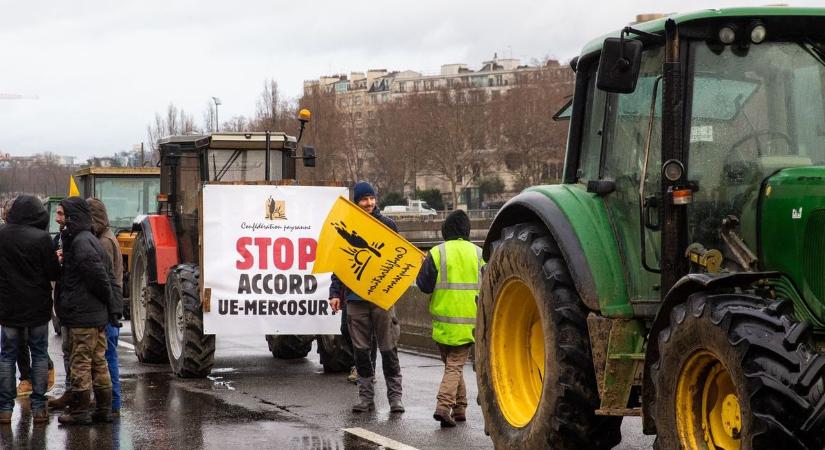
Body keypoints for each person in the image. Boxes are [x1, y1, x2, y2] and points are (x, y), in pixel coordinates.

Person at [329, 182, 404, 413]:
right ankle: (366, 398)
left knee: (388, 349)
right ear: (356, 202)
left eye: (372, 198)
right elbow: (340, 264)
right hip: (355, 299)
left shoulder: (388, 225)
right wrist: (335, 293)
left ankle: (395, 399)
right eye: (364, 199)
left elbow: (398, 258)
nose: (369, 203)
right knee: (361, 351)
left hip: (381, 299)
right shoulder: (349, 226)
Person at [55, 197, 120, 425]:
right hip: (91, 314)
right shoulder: (87, 239)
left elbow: (100, 280)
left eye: (61, 214)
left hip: (83, 316)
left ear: (72, 216)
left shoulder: (82, 242)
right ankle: (103, 410)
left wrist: (107, 303)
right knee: (98, 362)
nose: (57, 218)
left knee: (81, 363)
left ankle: (79, 412)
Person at [415, 209, 483, 427]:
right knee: (455, 367)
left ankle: (446, 407)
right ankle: (456, 407)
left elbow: (424, 286)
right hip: (469, 325)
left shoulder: (436, 253)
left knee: (452, 366)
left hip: (442, 325)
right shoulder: (480, 254)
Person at [0, 195, 60, 424]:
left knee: (6, 356)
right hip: (37, 308)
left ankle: (5, 408)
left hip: (8, 308)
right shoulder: (42, 239)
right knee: (40, 354)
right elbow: (53, 273)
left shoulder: (2, 235)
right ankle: (38, 407)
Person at [87, 198, 123, 417]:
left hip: (108, 310)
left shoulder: (104, 242)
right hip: (110, 307)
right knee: (107, 356)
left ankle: (113, 404)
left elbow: (103, 278)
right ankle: (111, 403)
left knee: (108, 357)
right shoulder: (106, 238)